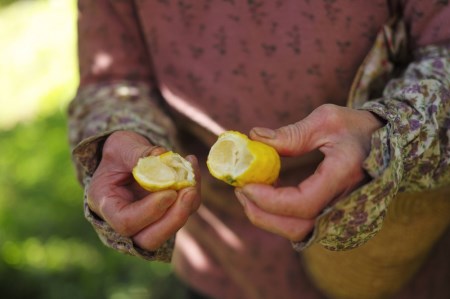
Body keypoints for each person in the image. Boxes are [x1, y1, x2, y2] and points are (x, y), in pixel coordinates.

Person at [68, 0, 450, 298]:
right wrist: (117, 139)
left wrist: (388, 135)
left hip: (397, 257)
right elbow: (115, 77)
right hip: (225, 264)